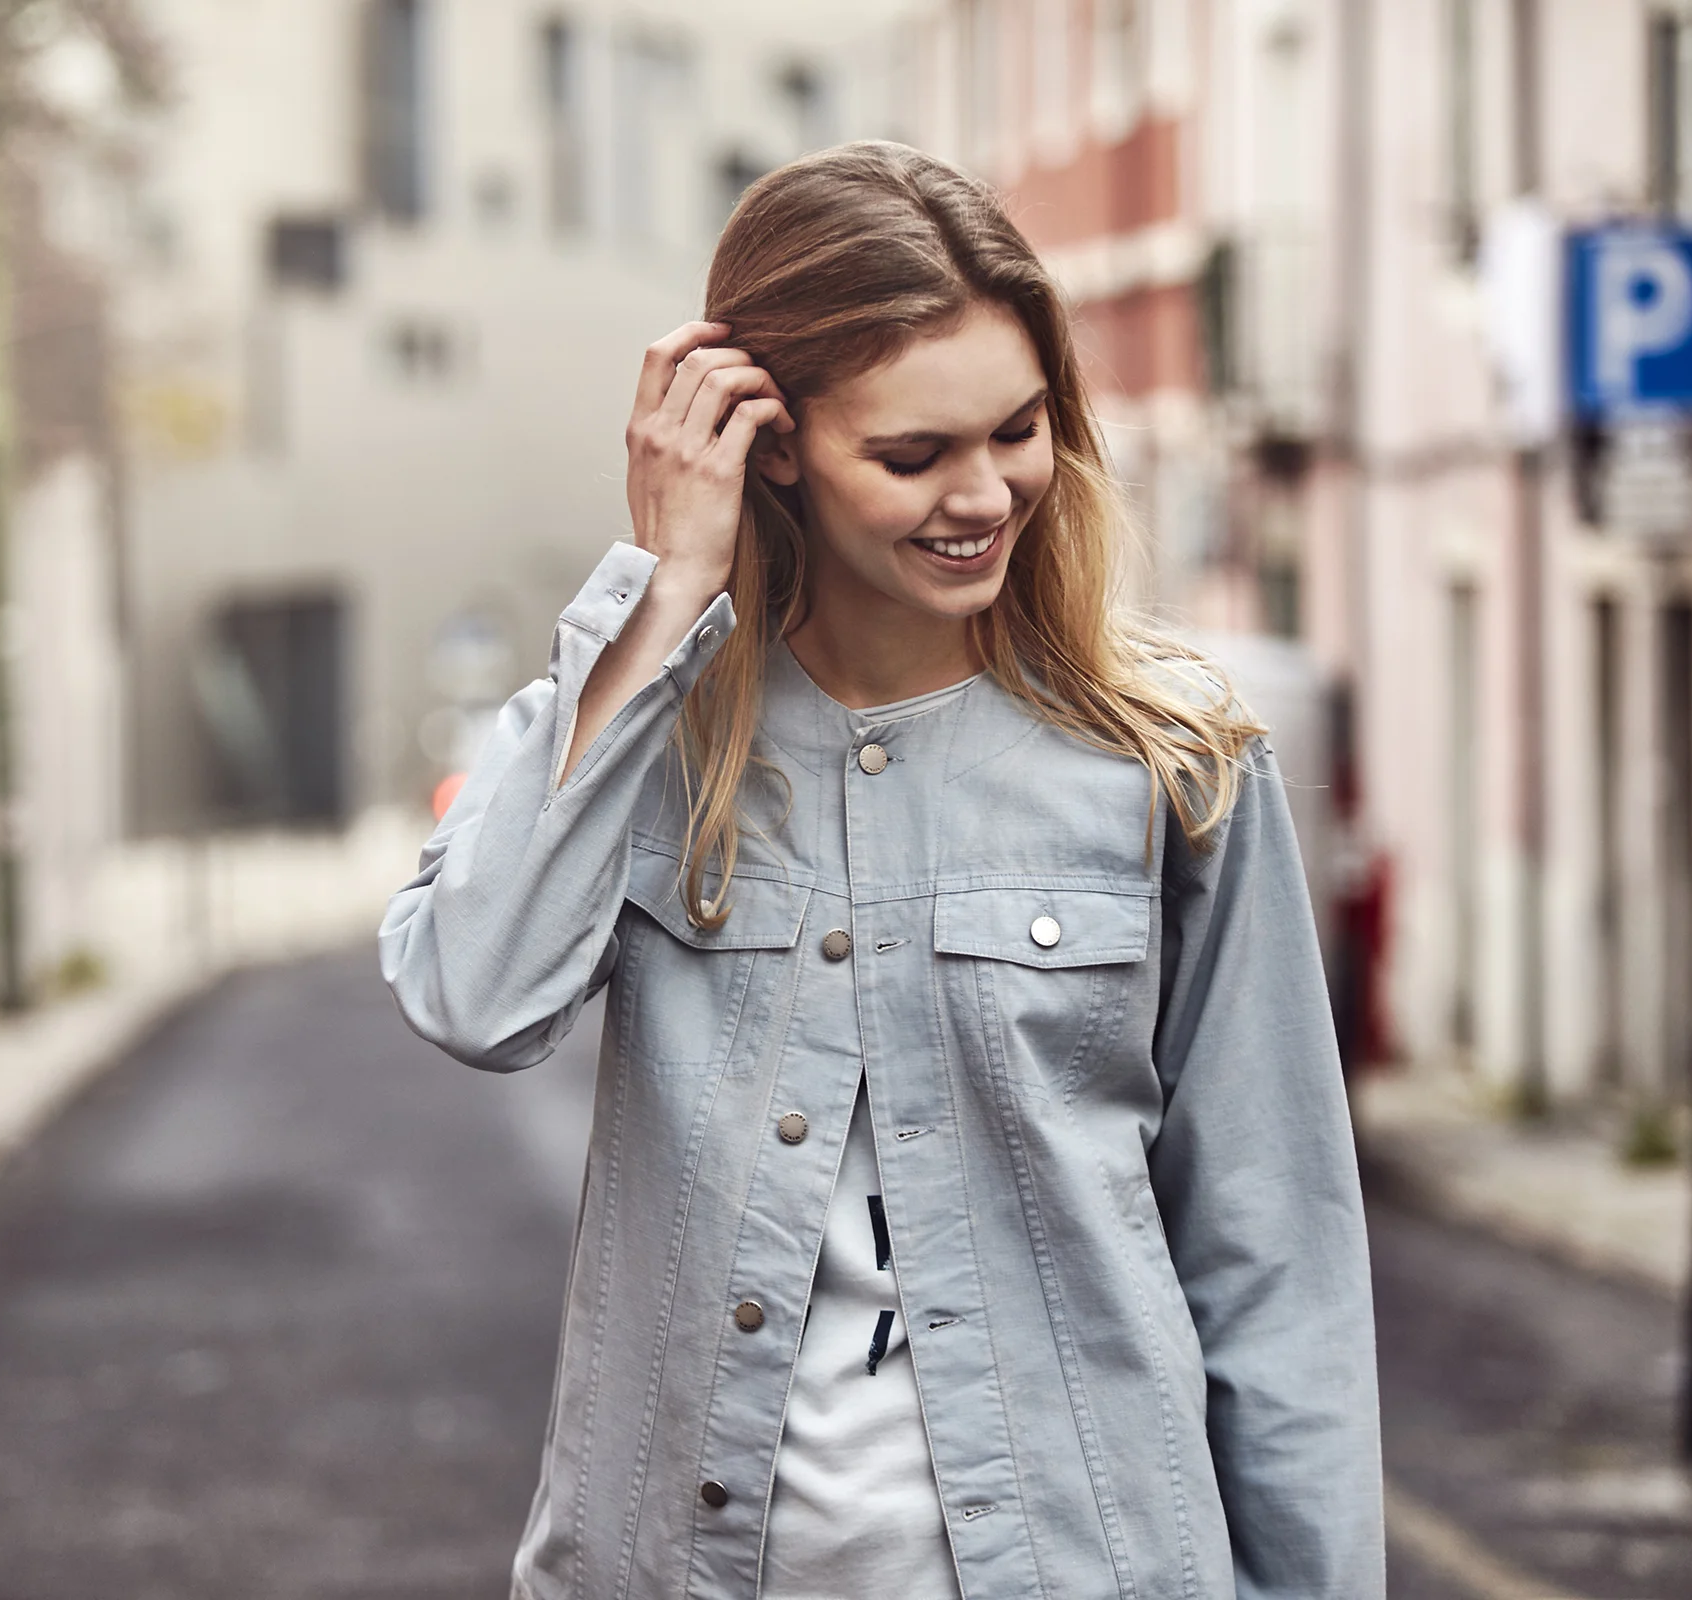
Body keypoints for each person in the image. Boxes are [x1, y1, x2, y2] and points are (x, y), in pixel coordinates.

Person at [380, 141, 1382, 1600]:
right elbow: (473, 997)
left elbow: (1273, 1259)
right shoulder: (651, 723)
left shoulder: (1172, 761)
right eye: (912, 455)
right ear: (769, 444)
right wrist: (664, 589)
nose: (983, 495)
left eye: (1020, 431)